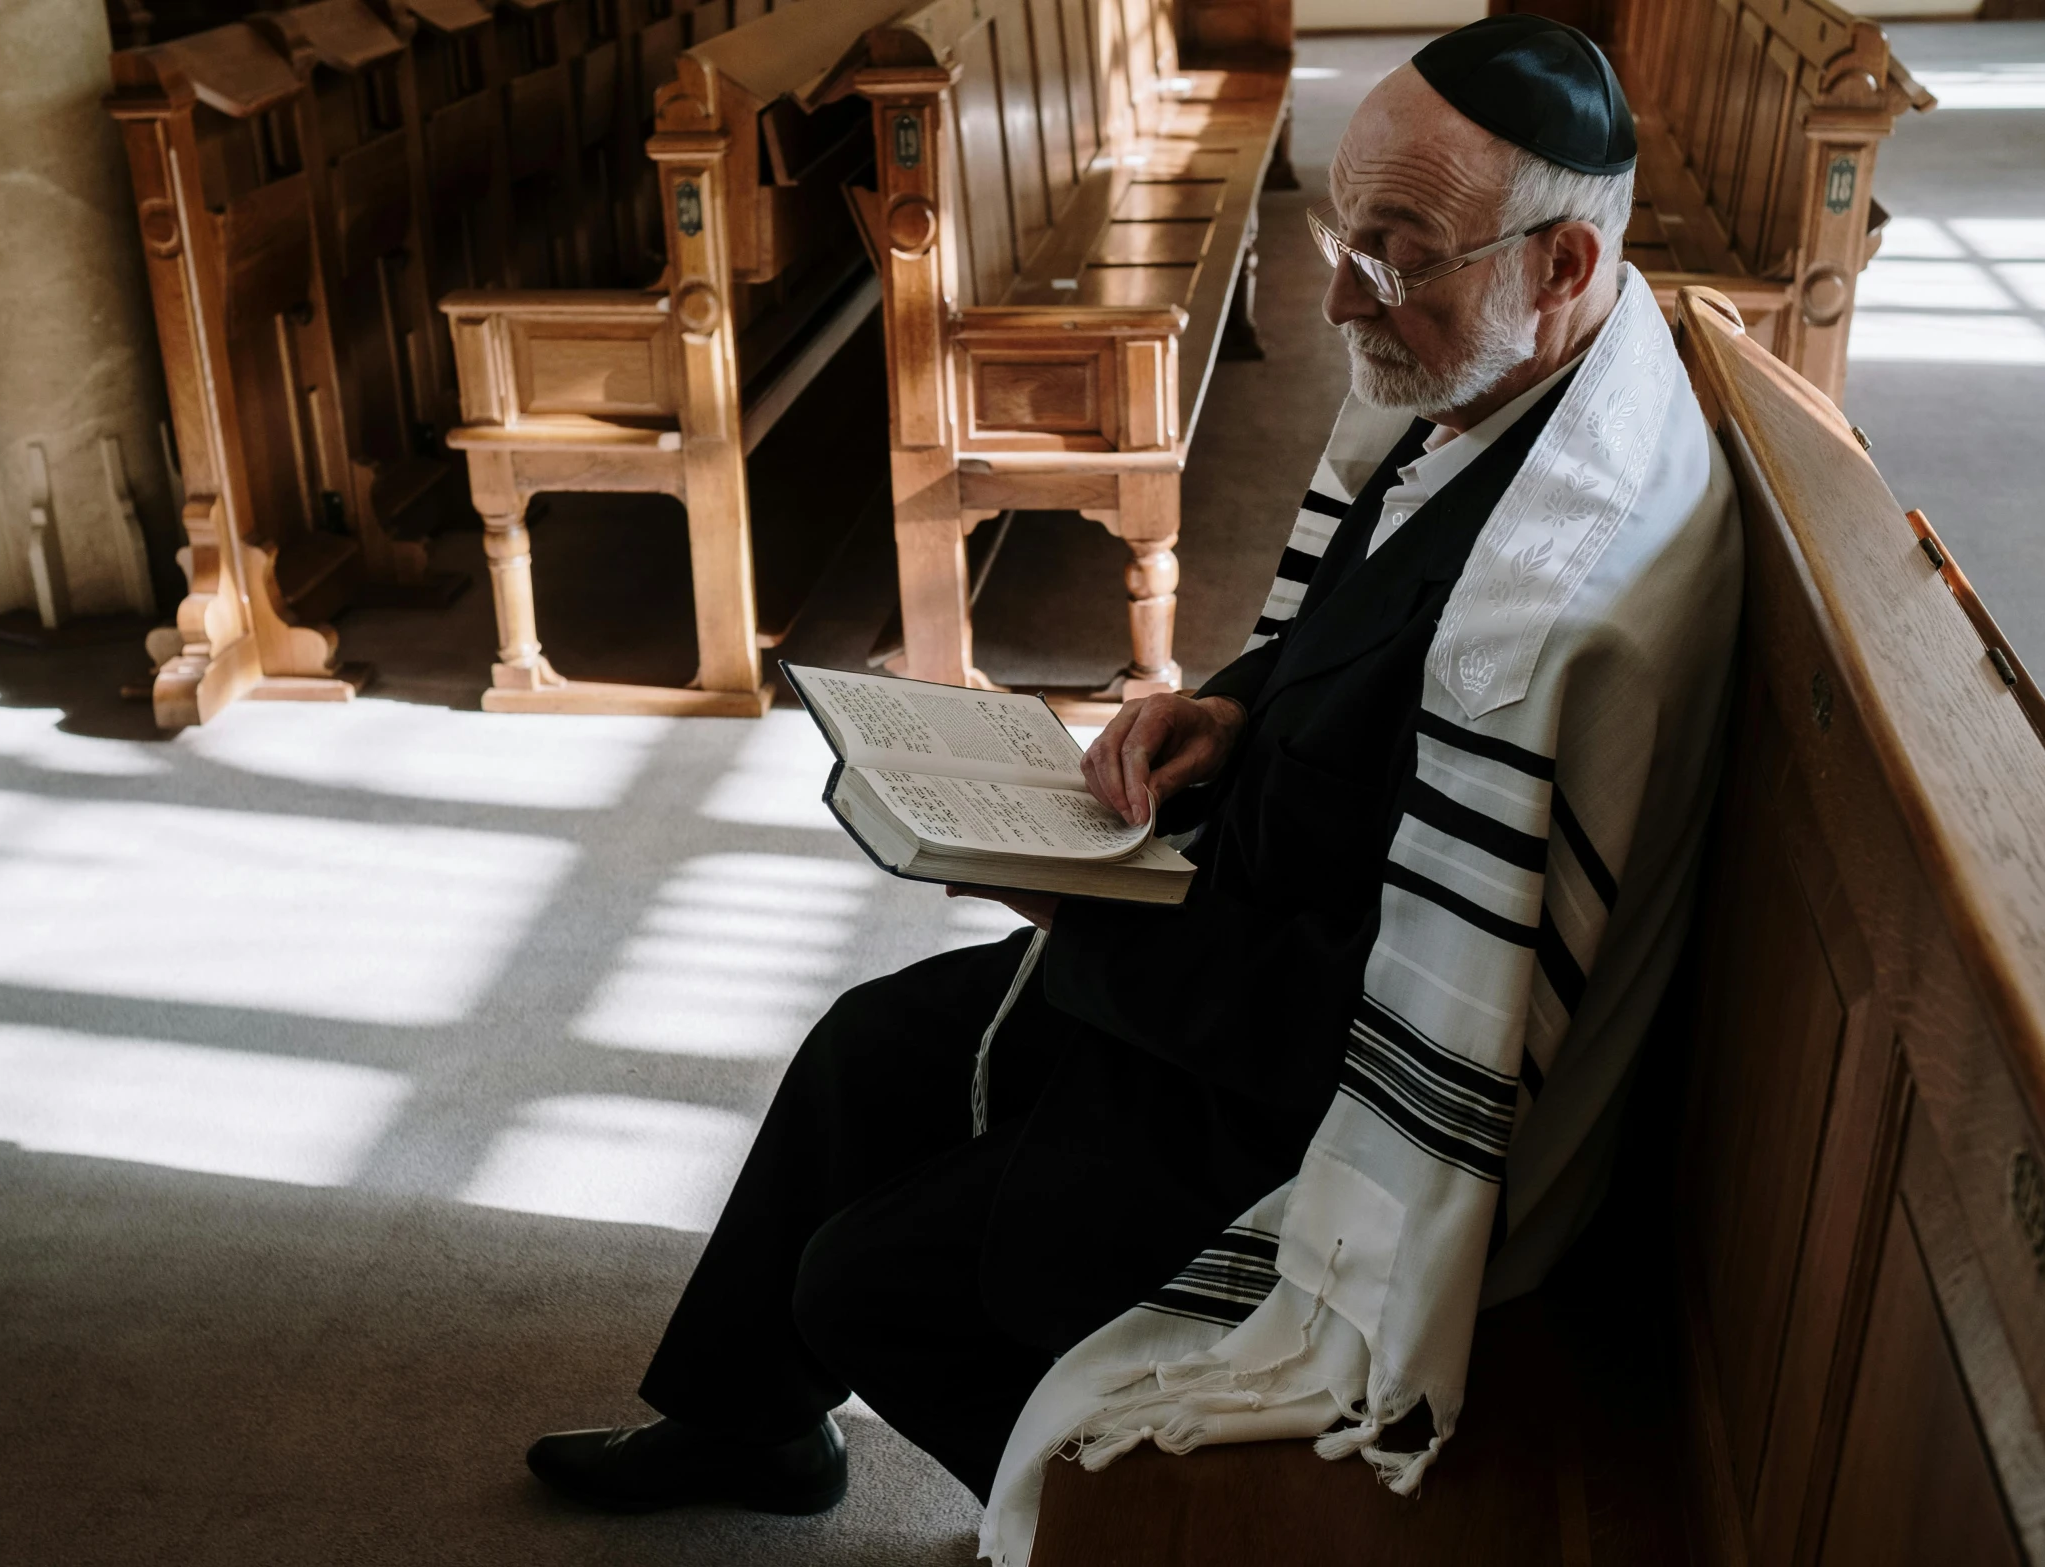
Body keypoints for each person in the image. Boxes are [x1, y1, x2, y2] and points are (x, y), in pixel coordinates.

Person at [525, 17, 1740, 1554]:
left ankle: (1122, 1537)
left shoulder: (1562, 593)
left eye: (1395, 253)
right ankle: (745, 1423)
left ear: (1562, 263)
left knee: (867, 1283)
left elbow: (1385, 1023)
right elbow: (1348, 660)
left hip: (1290, 1094)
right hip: (1226, 938)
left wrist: (1075, 908)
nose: (1339, 293)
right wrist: (1224, 709)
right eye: (1341, 233)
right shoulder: (1503, 392)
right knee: (861, 1048)